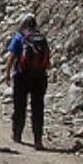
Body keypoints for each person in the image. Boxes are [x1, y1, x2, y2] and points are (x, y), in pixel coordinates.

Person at [3, 13, 51, 150]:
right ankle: (38, 140)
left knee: (20, 106)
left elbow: (12, 56)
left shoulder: (19, 37)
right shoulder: (42, 39)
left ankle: (17, 134)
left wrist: (7, 73)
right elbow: (47, 61)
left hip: (22, 76)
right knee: (38, 108)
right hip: (40, 77)